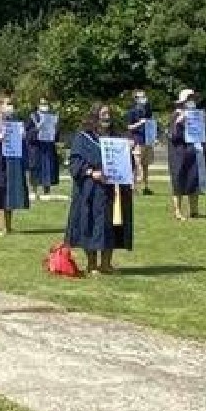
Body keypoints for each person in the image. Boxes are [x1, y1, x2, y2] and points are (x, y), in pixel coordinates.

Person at [65, 104, 133, 274]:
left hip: (112, 190)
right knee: (91, 225)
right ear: (95, 116)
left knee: (111, 226)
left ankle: (106, 264)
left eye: (109, 114)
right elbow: (74, 163)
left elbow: (126, 163)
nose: (106, 117)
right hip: (91, 190)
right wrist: (90, 172)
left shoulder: (117, 139)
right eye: (103, 114)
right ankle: (92, 264)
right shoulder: (83, 138)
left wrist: (128, 150)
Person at [0, 97, 29, 235]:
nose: (11, 107)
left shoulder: (14, 124)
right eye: (8, 104)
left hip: (11, 163)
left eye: (11, 104)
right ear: (0, 106)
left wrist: (22, 137)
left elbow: (22, 146)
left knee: (9, 193)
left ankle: (8, 227)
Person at [168, 88, 206, 221]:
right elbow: (173, 136)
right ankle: (178, 211)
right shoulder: (175, 115)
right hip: (179, 153)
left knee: (193, 180)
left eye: (194, 99)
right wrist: (179, 123)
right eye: (190, 99)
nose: (192, 101)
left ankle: (194, 210)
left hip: (193, 151)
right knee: (178, 181)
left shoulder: (197, 115)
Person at [27, 98, 61, 200]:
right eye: (42, 104)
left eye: (46, 103)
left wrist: (56, 128)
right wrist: (36, 129)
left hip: (48, 146)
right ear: (38, 104)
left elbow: (56, 136)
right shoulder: (33, 117)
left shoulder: (52, 117)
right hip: (37, 147)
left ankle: (47, 191)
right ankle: (33, 191)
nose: (44, 106)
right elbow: (27, 134)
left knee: (48, 168)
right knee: (35, 167)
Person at [127, 89, 156, 195]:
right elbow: (129, 127)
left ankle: (145, 187)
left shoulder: (148, 111)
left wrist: (154, 137)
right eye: (141, 96)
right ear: (135, 99)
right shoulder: (132, 112)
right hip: (137, 141)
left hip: (147, 141)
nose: (144, 98)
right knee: (136, 164)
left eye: (144, 96)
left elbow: (151, 125)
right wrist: (140, 123)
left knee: (145, 165)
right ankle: (133, 187)